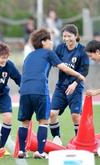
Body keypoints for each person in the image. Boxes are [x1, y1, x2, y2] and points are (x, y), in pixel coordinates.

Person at [17, 28, 85, 159]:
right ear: (43, 42)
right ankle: (40, 152)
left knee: (24, 122)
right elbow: (64, 68)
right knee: (43, 121)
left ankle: (21, 151)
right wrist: (79, 75)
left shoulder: (29, 56)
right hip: (39, 91)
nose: (52, 42)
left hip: (24, 91)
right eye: (50, 40)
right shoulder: (48, 53)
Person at [49, 24, 89, 145]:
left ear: (76, 36)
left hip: (75, 87)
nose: (67, 39)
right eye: (64, 36)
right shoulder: (60, 48)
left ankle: (79, 140)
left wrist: (75, 84)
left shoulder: (82, 51)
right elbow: (52, 61)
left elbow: (85, 71)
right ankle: (57, 138)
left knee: (76, 116)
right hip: (61, 87)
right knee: (52, 114)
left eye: (69, 36)